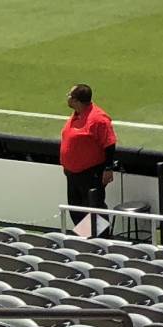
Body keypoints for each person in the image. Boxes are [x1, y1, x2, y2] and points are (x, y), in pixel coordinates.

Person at [60, 84, 117, 233]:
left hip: (90, 174)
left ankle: (101, 242)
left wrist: (108, 168)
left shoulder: (98, 119)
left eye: (69, 95)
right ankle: (85, 239)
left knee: (94, 209)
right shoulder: (77, 114)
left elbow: (109, 144)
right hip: (73, 175)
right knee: (76, 209)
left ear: (76, 100)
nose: (67, 97)